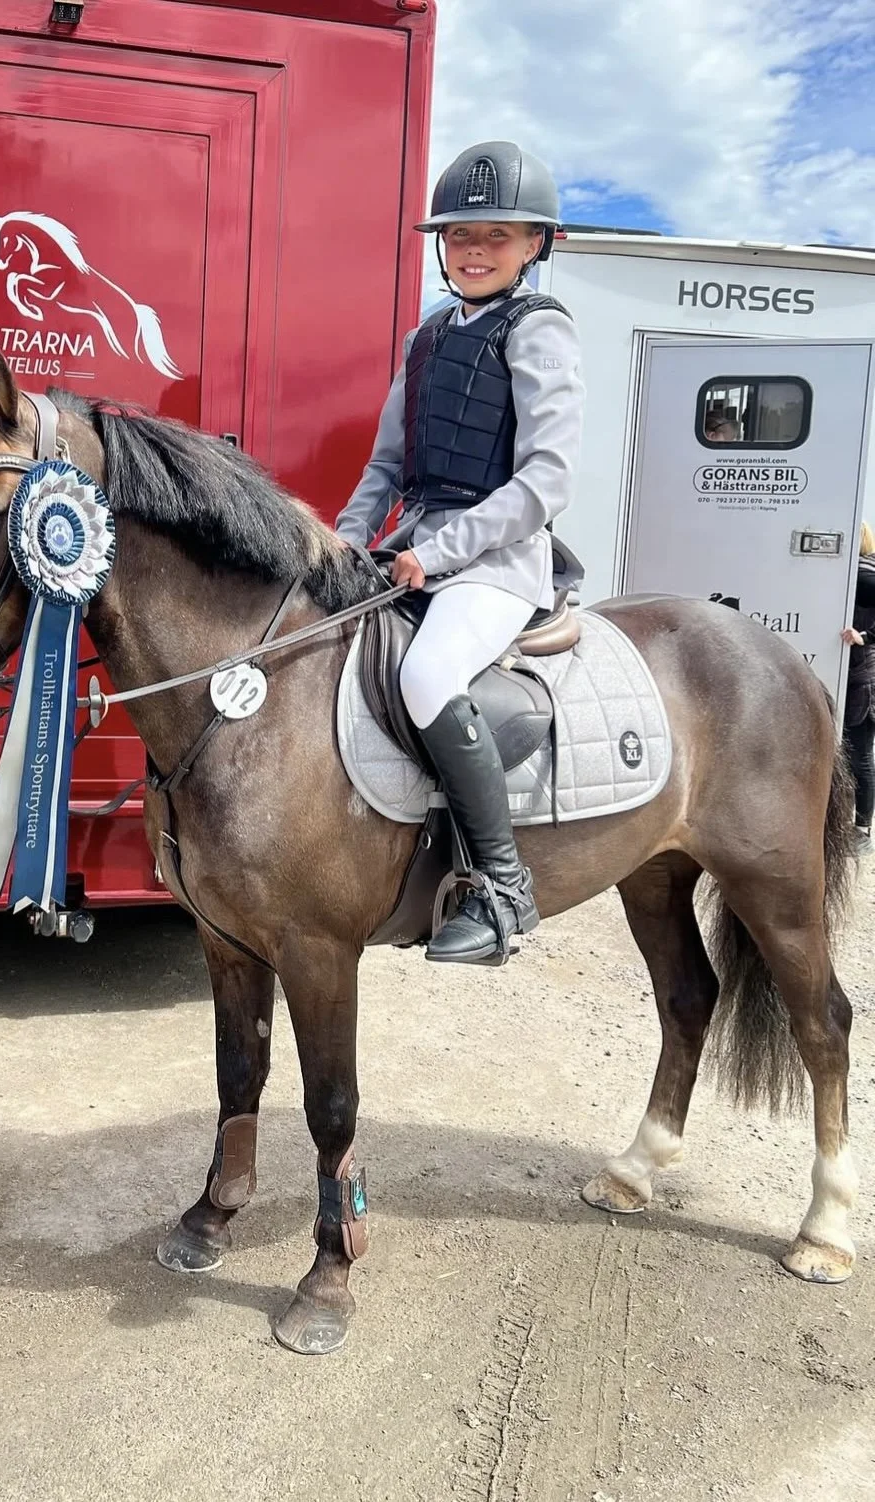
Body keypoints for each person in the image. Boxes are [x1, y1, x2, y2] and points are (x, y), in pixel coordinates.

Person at [336, 140, 584, 966]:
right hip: (417, 546)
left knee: (426, 674)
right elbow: (384, 467)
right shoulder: (429, 336)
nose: (474, 251)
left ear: (534, 244)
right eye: (459, 236)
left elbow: (547, 479)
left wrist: (442, 551)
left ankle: (503, 887)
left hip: (497, 560)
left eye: (496, 237)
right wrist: (342, 542)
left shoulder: (540, 330)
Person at [842, 522, 875, 856]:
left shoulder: (864, 576)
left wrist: (865, 637)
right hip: (858, 677)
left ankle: (862, 829)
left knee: (860, 756)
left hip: (862, 681)